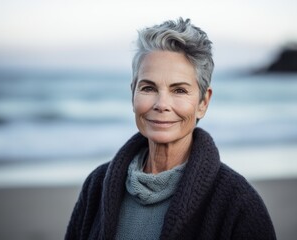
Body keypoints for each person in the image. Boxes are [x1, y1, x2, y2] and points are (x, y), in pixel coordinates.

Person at [65, 18, 276, 240]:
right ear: (133, 94)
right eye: (148, 88)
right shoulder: (96, 186)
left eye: (179, 91)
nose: (161, 104)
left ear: (203, 103)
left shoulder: (238, 204)